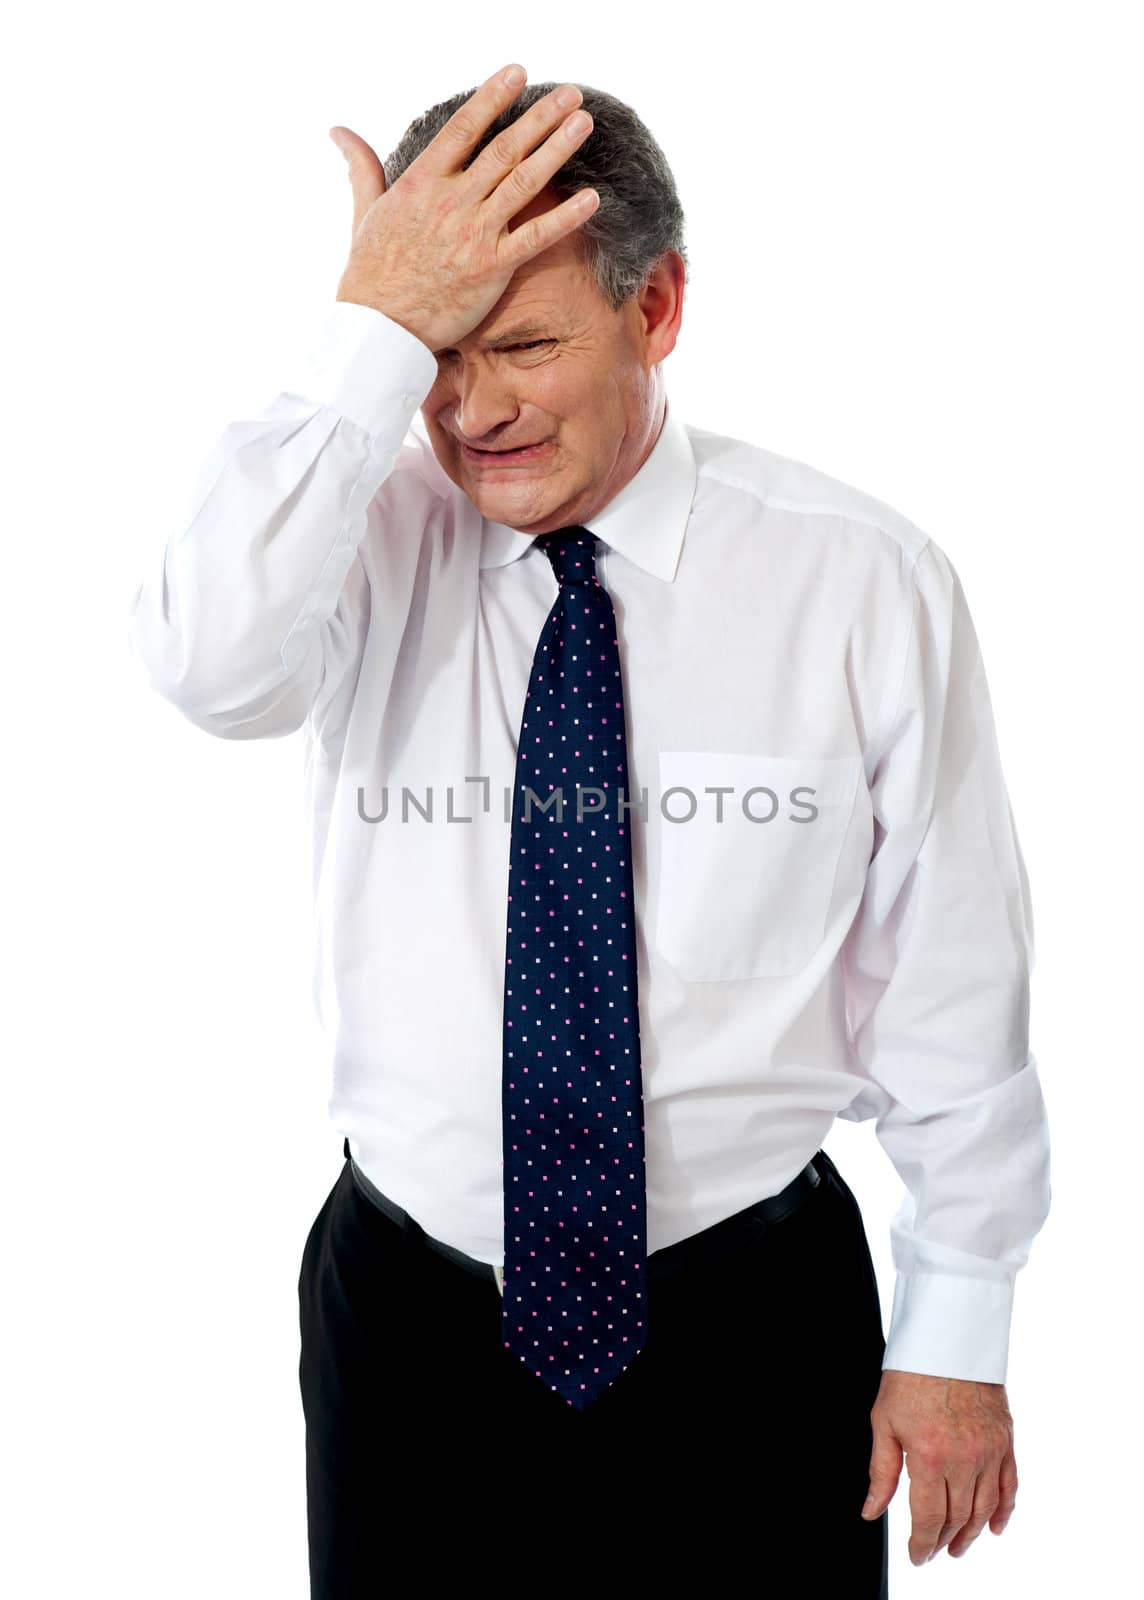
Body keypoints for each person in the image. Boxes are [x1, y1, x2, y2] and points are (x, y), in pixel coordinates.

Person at [126, 60, 1051, 1597]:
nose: (474, 408)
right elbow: (205, 665)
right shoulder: (351, 539)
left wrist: (959, 1322)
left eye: (527, 345)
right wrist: (366, 338)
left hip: (755, 1326)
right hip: (408, 1323)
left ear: (659, 305)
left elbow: (952, 977)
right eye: (439, 352)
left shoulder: (862, 581)